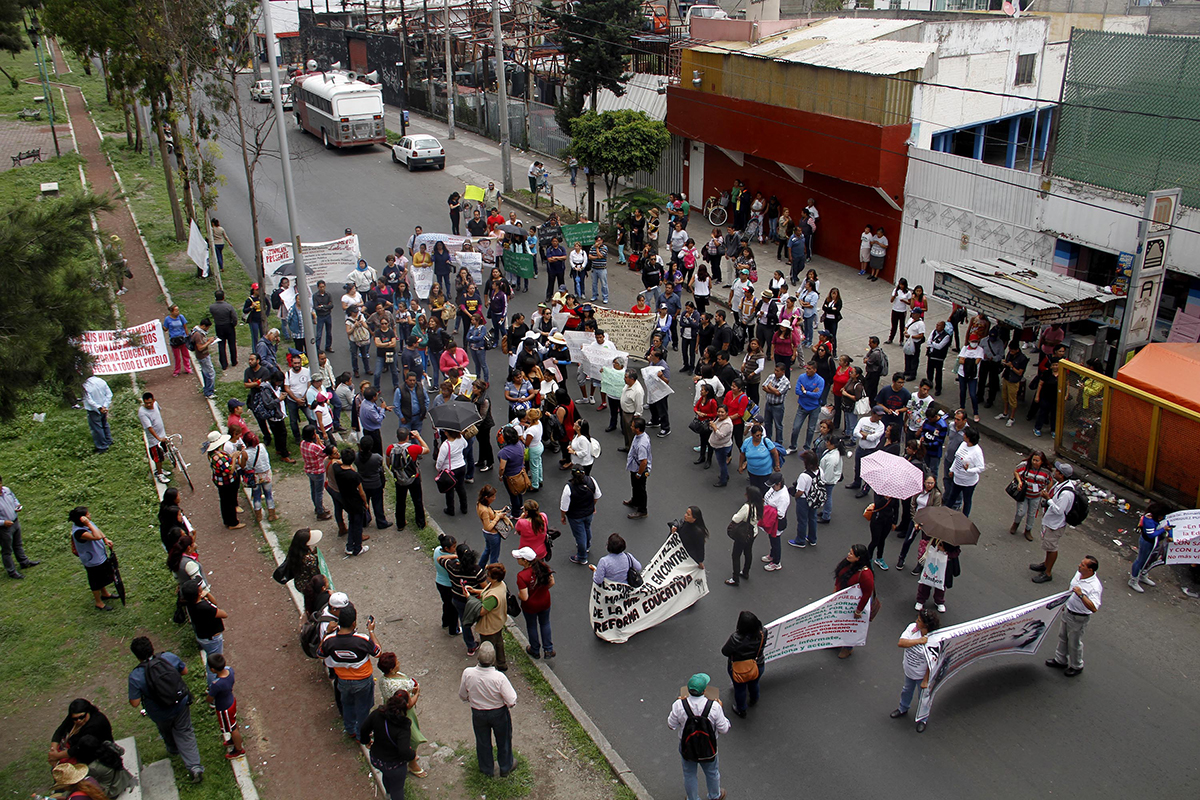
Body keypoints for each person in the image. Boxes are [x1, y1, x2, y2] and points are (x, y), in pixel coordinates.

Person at [128, 636, 204, 783]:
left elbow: (135, 703)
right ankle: (195, 767)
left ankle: (173, 748)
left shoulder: (136, 676)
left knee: (165, 730)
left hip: (159, 711)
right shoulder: (168, 657)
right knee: (185, 731)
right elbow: (185, 671)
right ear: (152, 647)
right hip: (180, 703)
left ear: (136, 656)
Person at [319, 605, 382, 740]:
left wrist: (326, 633)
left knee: (347, 705)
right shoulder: (362, 639)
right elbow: (377, 652)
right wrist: (371, 631)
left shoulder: (329, 640)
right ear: (354, 623)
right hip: (363, 681)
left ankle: (350, 729)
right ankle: (362, 734)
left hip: (342, 680)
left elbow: (320, 653)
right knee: (363, 708)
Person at [668, 672, 730, 800]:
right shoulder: (714, 707)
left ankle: (693, 798)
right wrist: (721, 710)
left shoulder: (679, 705)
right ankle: (715, 795)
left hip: (687, 747)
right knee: (712, 773)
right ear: (705, 690)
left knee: (689, 774)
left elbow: (671, 725)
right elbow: (723, 729)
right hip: (708, 748)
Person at [459, 641, 517, 777]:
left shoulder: (468, 673)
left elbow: (462, 695)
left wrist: (471, 699)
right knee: (504, 740)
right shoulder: (499, 678)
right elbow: (511, 700)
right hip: (498, 713)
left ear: (478, 658)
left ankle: (487, 769)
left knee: (482, 741)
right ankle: (505, 766)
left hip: (478, 713)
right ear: (493, 660)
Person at [1046, 556, 1102, 677]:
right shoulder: (1079, 574)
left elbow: (1094, 608)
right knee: (1062, 636)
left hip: (1078, 618)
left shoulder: (1094, 587)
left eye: (1083, 565)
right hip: (1068, 611)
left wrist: (1081, 595)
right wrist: (1064, 602)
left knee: (1074, 642)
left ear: (1090, 570)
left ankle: (1077, 665)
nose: (1079, 566)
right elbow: (1070, 587)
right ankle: (1060, 659)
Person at [890, 607, 940, 730]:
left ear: (926, 625)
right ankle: (903, 708)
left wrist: (925, 680)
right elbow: (901, 643)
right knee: (906, 690)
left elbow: (931, 663)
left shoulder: (934, 641)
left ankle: (923, 719)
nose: (916, 621)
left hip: (921, 675)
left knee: (924, 697)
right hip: (909, 671)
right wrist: (919, 641)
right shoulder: (913, 629)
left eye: (919, 620)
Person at [1031, 461, 1077, 584]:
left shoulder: (1066, 493)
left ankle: (1048, 572)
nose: (1054, 472)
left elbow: (1059, 510)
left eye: (1057, 471)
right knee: (1048, 546)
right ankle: (1045, 564)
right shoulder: (1060, 484)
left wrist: (1048, 499)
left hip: (1055, 524)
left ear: (1061, 475)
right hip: (1050, 521)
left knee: (1052, 548)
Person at [69, 507, 118, 611]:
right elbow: (96, 536)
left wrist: (105, 539)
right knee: (95, 581)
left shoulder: (86, 524)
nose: (90, 515)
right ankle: (98, 602)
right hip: (92, 560)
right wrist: (89, 524)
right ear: (82, 518)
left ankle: (105, 593)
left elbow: (98, 531)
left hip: (99, 556)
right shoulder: (80, 532)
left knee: (101, 577)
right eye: (88, 514)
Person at [721, 611, 766, 719]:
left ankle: (741, 709)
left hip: (739, 668)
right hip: (757, 665)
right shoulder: (763, 632)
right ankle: (754, 699)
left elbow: (725, 651)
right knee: (754, 683)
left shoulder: (735, 638)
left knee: (740, 689)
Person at [833, 544, 876, 658]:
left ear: (858, 558)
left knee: (850, 626)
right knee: (839, 621)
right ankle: (837, 641)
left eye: (851, 553)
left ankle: (848, 647)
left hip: (855, 604)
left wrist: (858, 610)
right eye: (849, 552)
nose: (848, 554)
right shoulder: (847, 563)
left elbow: (867, 594)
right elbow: (839, 577)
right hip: (843, 600)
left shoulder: (866, 574)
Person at [466, 562, 510, 671]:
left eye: (488, 575)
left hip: (489, 625)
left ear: (493, 578)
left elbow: (482, 611)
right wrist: (475, 591)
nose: (486, 576)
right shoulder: (501, 585)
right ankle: (501, 664)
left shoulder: (492, 597)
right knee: (499, 643)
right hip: (498, 621)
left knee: (488, 647)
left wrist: (469, 597)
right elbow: (488, 591)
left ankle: (489, 668)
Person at [515, 546, 555, 659]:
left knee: (532, 626)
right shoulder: (543, 567)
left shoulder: (522, 576)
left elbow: (524, 597)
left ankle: (535, 649)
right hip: (545, 601)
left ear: (525, 561)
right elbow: (552, 582)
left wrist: (518, 595)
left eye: (519, 558)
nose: (517, 560)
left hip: (530, 607)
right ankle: (548, 649)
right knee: (545, 623)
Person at [49, 699, 114, 766]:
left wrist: (57, 756)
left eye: (82, 717)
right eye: (75, 718)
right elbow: (60, 731)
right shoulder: (74, 717)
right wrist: (53, 750)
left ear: (88, 712)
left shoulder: (96, 724)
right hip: (74, 748)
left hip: (93, 753)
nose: (78, 720)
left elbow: (79, 748)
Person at [896, 473, 941, 572]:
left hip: (927, 523)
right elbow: (913, 504)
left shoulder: (936, 495)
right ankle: (901, 558)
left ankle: (920, 564)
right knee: (908, 540)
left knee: (924, 544)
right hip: (916, 519)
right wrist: (915, 519)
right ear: (924, 482)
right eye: (928, 483)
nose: (929, 485)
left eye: (932, 483)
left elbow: (935, 511)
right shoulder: (918, 491)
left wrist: (924, 523)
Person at [387, 427, 429, 531]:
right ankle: (421, 523)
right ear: (407, 437)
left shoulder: (390, 448)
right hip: (413, 477)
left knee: (400, 501)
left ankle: (400, 524)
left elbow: (388, 462)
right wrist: (418, 437)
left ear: (397, 437)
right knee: (417, 500)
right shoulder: (412, 448)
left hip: (399, 478)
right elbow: (426, 449)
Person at [335, 448, 371, 557]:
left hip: (345, 500)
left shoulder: (337, 469)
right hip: (356, 502)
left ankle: (349, 546)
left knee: (351, 522)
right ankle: (357, 548)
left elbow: (338, 462)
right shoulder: (354, 476)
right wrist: (365, 503)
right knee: (358, 524)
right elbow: (361, 492)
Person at [0, 476, 37, 579]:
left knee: (18, 544)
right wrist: (3, 522)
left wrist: (17, 505)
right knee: (7, 550)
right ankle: (11, 571)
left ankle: (24, 562)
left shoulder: (6, 490)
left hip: (15, 522)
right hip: (4, 528)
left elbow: (14, 499)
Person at [1130, 502, 1171, 593]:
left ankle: (1142, 574)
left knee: (1151, 559)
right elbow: (1151, 535)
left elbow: (1168, 524)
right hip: (1147, 542)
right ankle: (1133, 580)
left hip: (1156, 543)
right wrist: (1163, 529)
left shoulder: (1160, 518)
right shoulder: (1148, 520)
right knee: (1141, 560)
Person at [726, 485, 762, 586]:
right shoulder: (759, 506)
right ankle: (745, 572)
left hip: (743, 534)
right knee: (748, 552)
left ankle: (735, 578)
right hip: (753, 532)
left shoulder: (747, 507)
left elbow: (736, 519)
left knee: (736, 555)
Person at [944, 427, 985, 517]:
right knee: (952, 497)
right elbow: (957, 458)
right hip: (957, 478)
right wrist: (952, 469)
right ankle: (945, 513)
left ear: (969, 438)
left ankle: (964, 518)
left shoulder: (977, 451)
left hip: (968, 482)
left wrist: (968, 470)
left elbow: (981, 468)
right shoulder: (963, 444)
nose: (963, 435)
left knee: (967, 500)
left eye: (965, 435)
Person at [846, 405, 887, 497]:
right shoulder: (863, 420)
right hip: (861, 448)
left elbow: (873, 438)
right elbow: (855, 432)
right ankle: (856, 483)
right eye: (878, 415)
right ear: (873, 414)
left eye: (881, 416)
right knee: (857, 468)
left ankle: (865, 490)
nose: (880, 418)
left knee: (869, 472)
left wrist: (863, 434)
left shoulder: (881, 426)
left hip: (871, 450)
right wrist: (865, 436)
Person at [1010, 450, 1050, 540]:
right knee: (1021, 512)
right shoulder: (1025, 465)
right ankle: (1015, 524)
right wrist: (1020, 482)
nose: (1034, 462)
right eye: (1033, 460)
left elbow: (1049, 482)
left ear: (1042, 461)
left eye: (1037, 461)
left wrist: (1046, 491)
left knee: (1032, 514)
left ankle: (1028, 530)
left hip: (1036, 496)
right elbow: (1016, 471)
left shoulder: (1046, 472)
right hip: (1024, 494)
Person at [788, 360, 825, 453]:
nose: (807, 370)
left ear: (815, 370)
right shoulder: (802, 377)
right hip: (802, 406)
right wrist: (811, 392)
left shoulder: (820, 380)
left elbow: (818, 395)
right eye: (806, 368)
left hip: (814, 408)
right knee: (796, 427)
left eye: (809, 369)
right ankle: (793, 446)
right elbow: (797, 391)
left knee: (811, 429)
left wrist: (805, 392)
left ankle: (807, 447)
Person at [436, 428, 471, 516]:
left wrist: (438, 469)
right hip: (461, 466)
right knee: (461, 488)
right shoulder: (460, 438)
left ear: (447, 433)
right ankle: (464, 508)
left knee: (449, 490)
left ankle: (450, 509)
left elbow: (440, 461)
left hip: (450, 470)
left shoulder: (445, 445)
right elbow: (466, 445)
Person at [625, 417, 652, 519]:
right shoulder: (641, 436)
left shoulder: (641, 445)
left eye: (632, 426)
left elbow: (643, 462)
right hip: (635, 467)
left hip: (639, 470)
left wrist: (639, 474)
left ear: (638, 429)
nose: (631, 427)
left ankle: (642, 510)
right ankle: (635, 501)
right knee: (635, 486)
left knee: (641, 489)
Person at [81, 372, 114, 453]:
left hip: (94, 409)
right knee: (104, 423)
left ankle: (102, 446)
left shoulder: (85, 386)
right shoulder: (101, 381)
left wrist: (98, 407)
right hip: (103, 407)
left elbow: (89, 400)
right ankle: (109, 440)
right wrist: (105, 406)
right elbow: (109, 394)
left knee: (97, 428)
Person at [956, 335, 985, 422]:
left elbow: (977, 361)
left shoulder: (980, 350)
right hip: (962, 374)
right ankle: (962, 408)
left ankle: (975, 412)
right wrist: (970, 361)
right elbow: (960, 360)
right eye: (973, 341)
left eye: (976, 341)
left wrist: (966, 360)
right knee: (962, 391)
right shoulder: (964, 348)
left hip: (973, 376)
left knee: (973, 394)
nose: (974, 343)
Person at [1033, 359, 1061, 438]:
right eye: (1054, 365)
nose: (1055, 367)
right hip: (1046, 397)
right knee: (1042, 413)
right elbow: (1040, 384)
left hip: (1056, 399)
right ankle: (1037, 428)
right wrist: (1037, 395)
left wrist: (1065, 396)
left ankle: (1053, 430)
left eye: (1057, 365)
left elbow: (1067, 384)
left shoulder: (1062, 374)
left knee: (1054, 415)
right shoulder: (1046, 373)